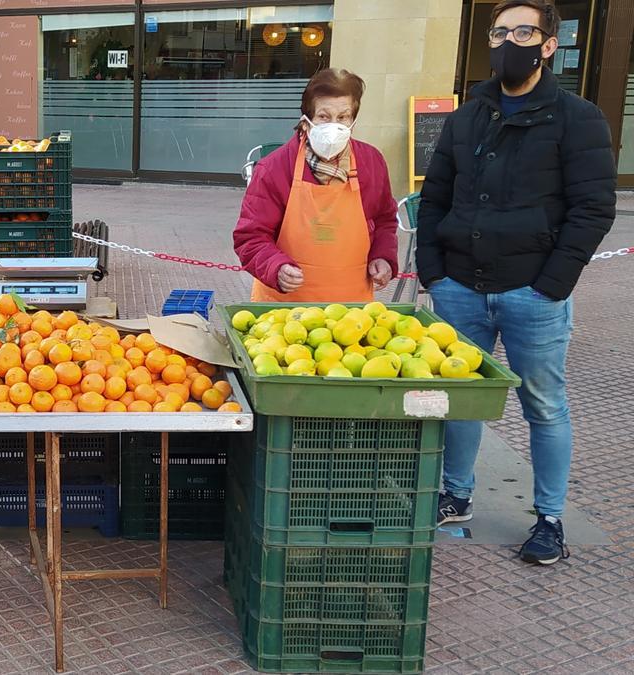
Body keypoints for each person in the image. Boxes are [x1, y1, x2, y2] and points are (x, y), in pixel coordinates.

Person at [416, 0, 616, 565]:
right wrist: (435, 272)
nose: (509, 43)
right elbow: (434, 198)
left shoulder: (579, 119)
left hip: (533, 292)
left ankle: (549, 517)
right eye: (499, 32)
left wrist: (552, 284)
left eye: (523, 32)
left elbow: (593, 208)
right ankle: (455, 494)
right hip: (459, 287)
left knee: (544, 406)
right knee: (459, 401)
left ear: (549, 44)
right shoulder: (467, 116)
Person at [234, 68, 398, 302]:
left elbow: (385, 219)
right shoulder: (275, 168)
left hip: (351, 311)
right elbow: (250, 237)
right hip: (284, 310)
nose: (334, 125)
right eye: (324, 116)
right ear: (307, 120)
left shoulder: (371, 162)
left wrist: (383, 256)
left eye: (343, 117)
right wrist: (276, 268)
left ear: (353, 119)